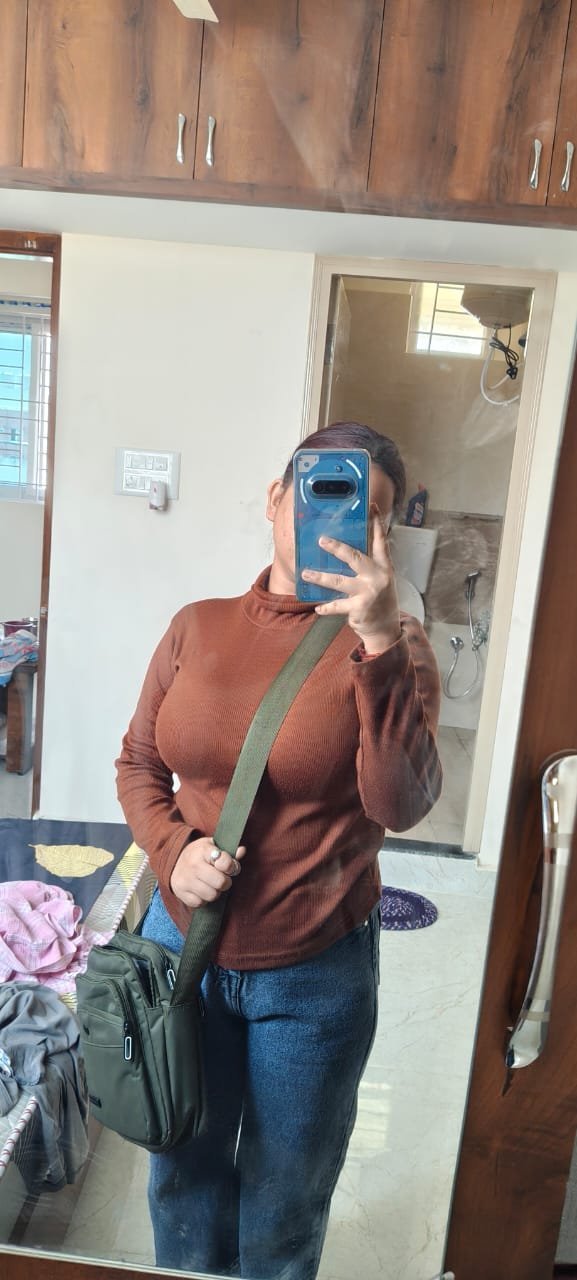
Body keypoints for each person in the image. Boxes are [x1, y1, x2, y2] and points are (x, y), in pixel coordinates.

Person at [115, 420, 442, 1280]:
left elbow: (399, 804)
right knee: (180, 1180)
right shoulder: (196, 627)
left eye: (366, 509)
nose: (335, 521)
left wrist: (378, 640)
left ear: (383, 531)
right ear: (274, 499)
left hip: (313, 969)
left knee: (284, 1200)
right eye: (317, 491)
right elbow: (139, 762)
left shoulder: (397, 648)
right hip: (180, 946)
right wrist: (172, 850)